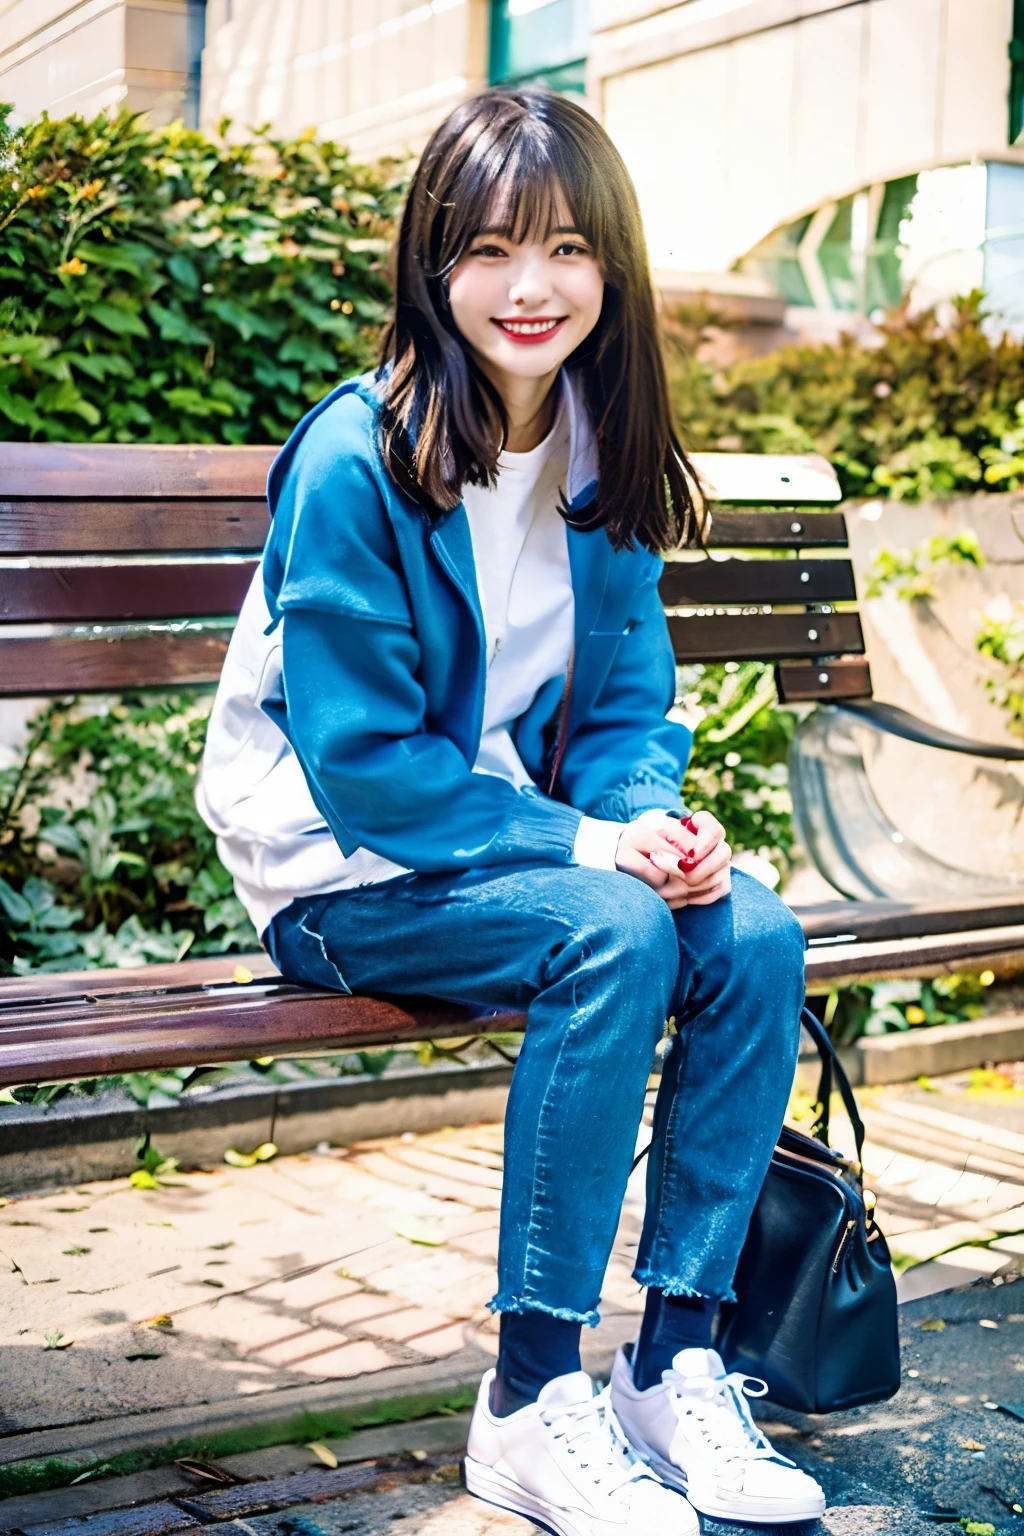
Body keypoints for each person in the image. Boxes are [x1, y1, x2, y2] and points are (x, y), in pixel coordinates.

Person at [197, 87, 825, 1535]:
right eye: (487, 249)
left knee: (757, 935)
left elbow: (622, 710)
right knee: (614, 932)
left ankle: (675, 1363)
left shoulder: (601, 447)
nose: (529, 287)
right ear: (434, 267)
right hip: (341, 872)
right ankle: (532, 1398)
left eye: (563, 248)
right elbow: (361, 767)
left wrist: (650, 822)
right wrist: (595, 852)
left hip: (510, 862)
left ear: (614, 266)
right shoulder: (361, 455)